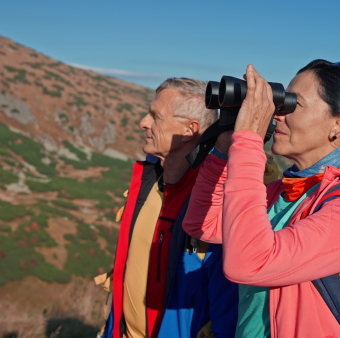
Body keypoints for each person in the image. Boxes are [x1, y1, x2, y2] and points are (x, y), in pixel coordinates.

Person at [183, 60, 340, 337]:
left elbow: (249, 262)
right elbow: (203, 225)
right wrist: (224, 148)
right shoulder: (283, 193)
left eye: (294, 105)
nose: (278, 115)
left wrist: (248, 141)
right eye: (282, 102)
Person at [99, 78, 239, 338]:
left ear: (189, 130)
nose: (143, 122)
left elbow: (227, 309)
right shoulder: (148, 183)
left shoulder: (212, 204)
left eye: (156, 116)